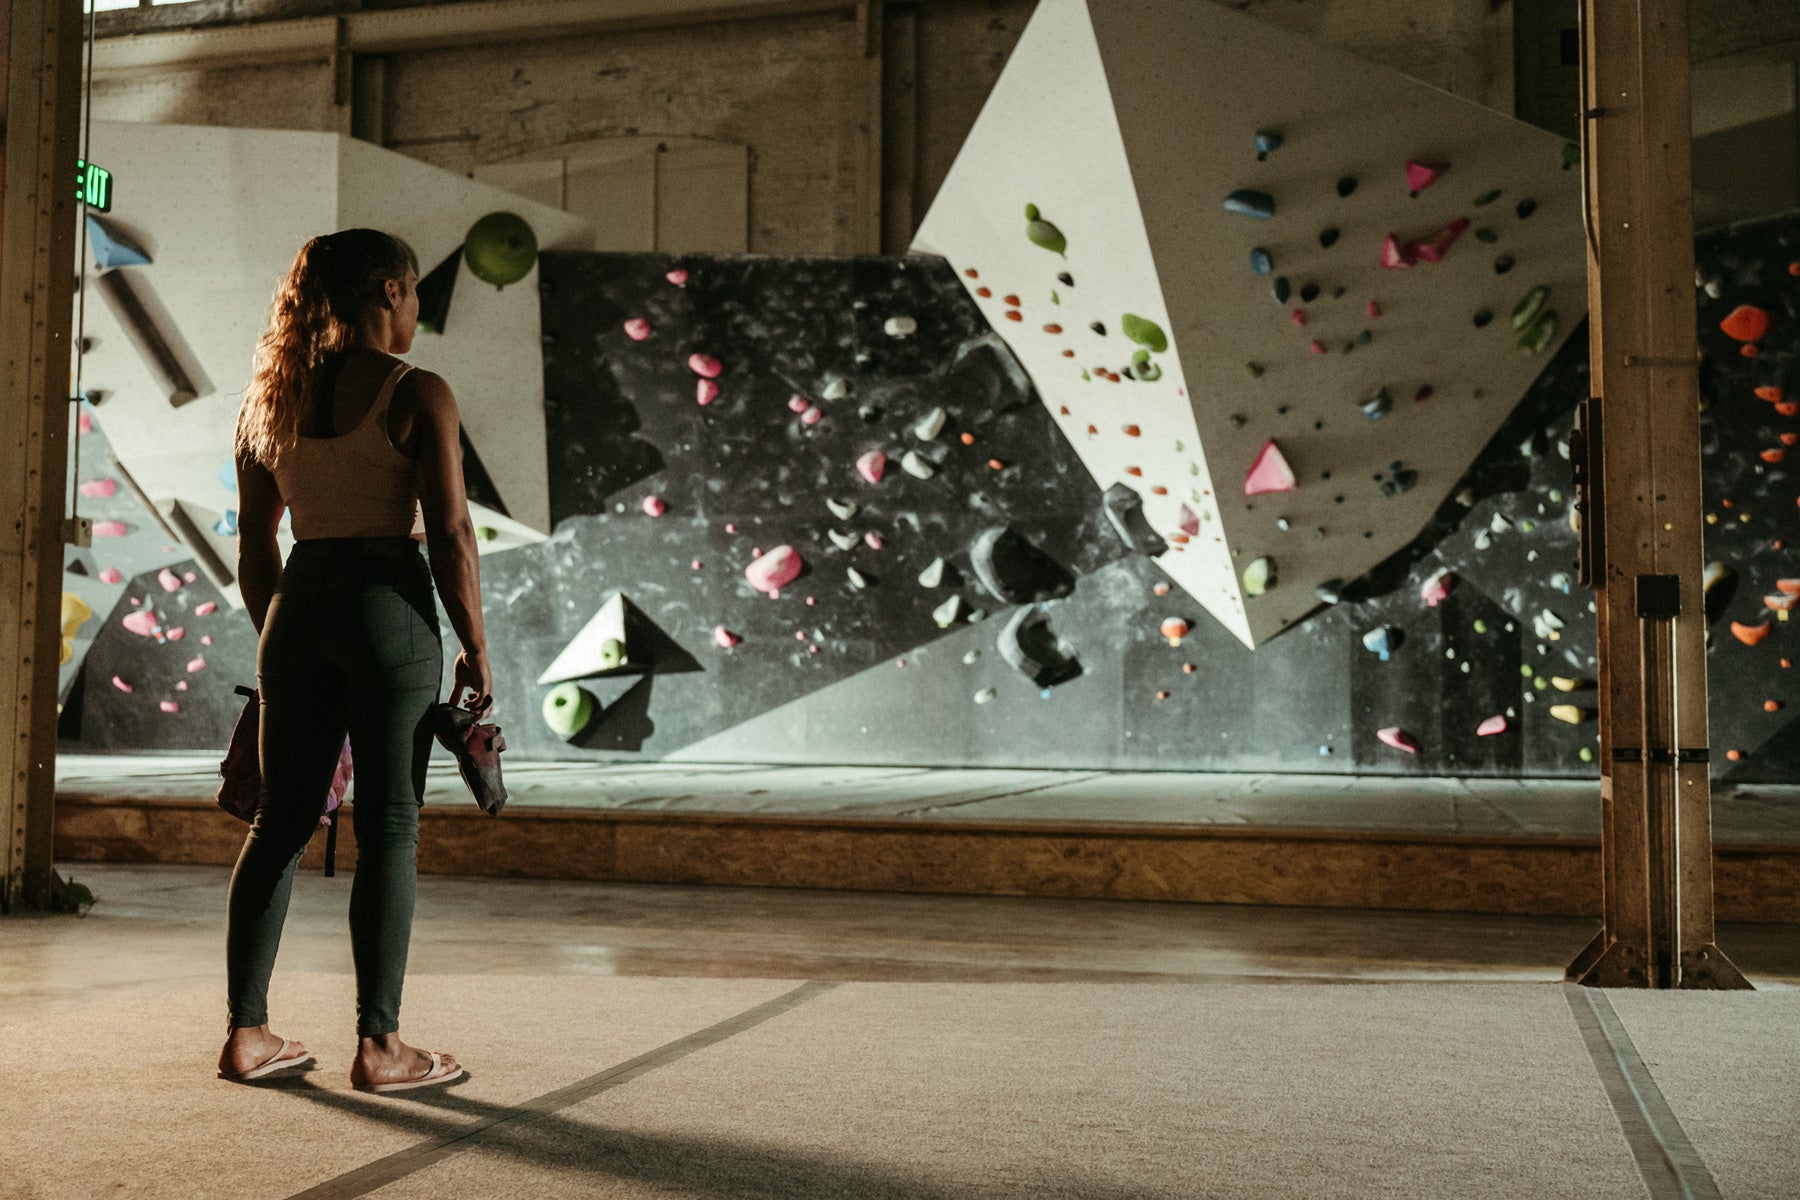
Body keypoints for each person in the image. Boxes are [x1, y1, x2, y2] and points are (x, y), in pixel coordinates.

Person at [218, 228, 493, 1091]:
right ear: (387, 291)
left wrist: (280, 644)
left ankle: (248, 1035)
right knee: (390, 827)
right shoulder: (419, 392)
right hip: (387, 606)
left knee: (279, 825)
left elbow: (255, 544)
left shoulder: (270, 398)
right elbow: (449, 533)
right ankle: (380, 1048)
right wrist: (476, 647)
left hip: (297, 607)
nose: (415, 310)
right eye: (413, 293)